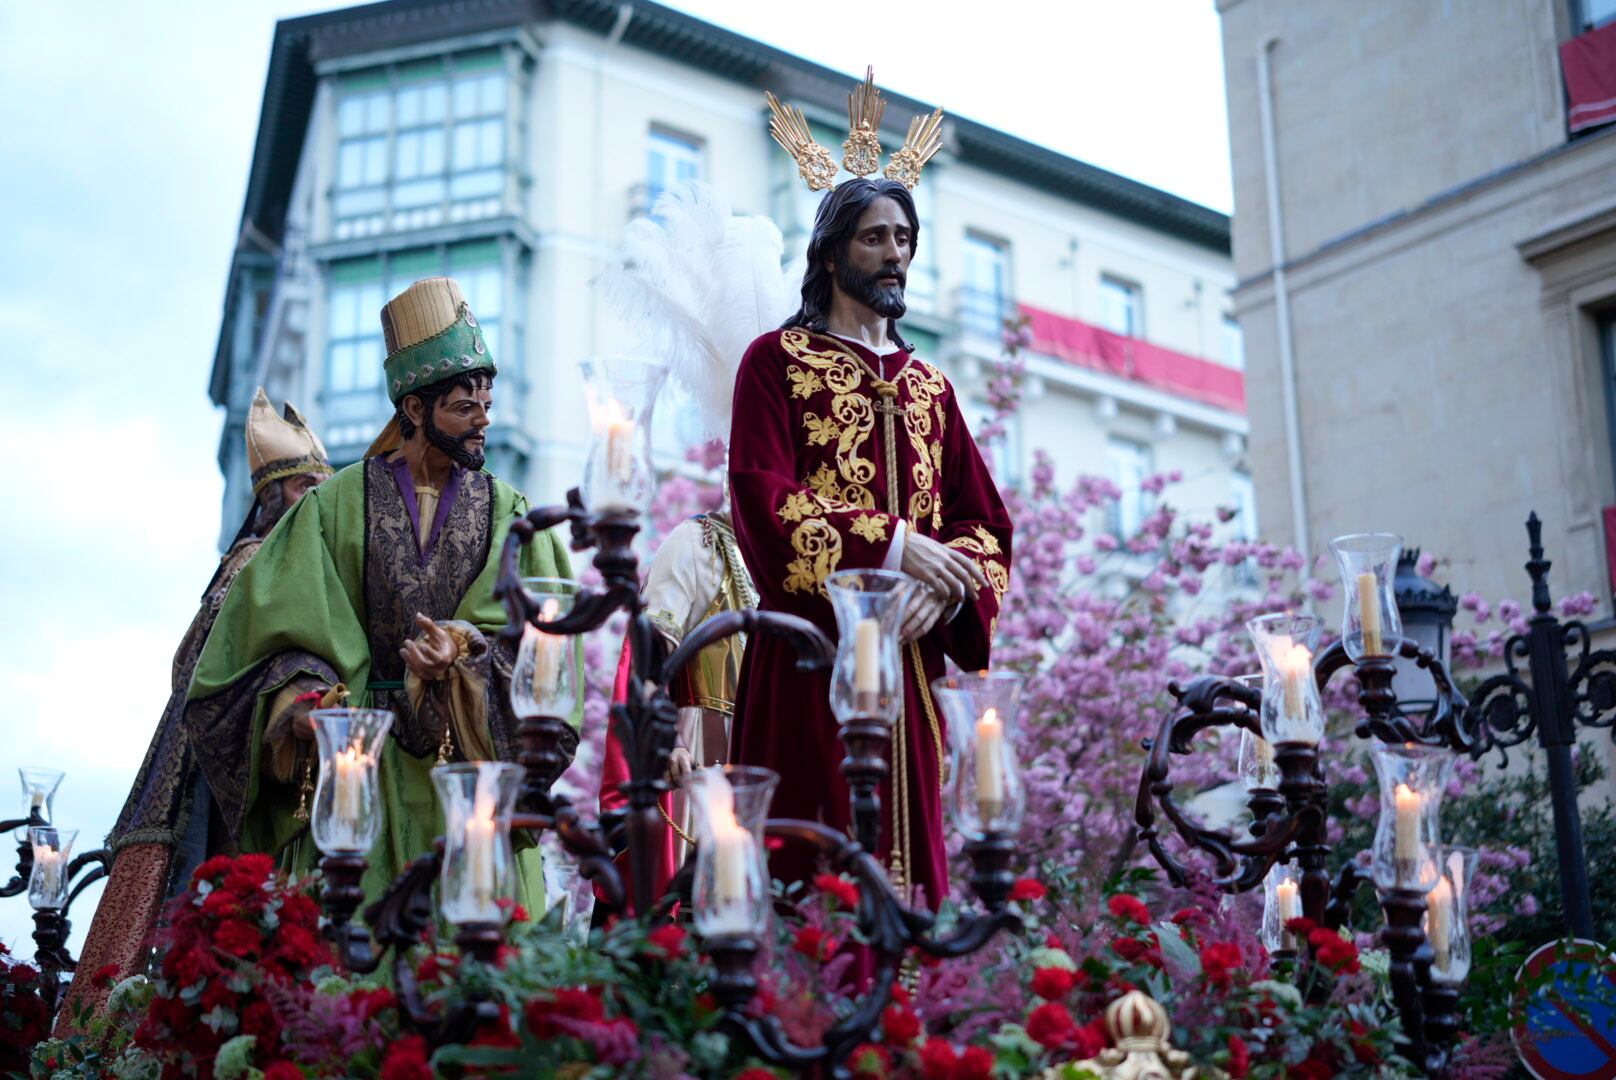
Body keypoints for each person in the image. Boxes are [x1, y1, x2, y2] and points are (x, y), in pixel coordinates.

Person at [183, 277, 579, 907]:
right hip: (355, 782)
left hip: (465, 785)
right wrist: (307, 702)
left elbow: (544, 642)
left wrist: (468, 656)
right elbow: (275, 630)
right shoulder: (330, 506)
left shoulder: (511, 512)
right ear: (415, 411)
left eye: (487, 402)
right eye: (463, 405)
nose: (483, 420)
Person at [728, 71, 1013, 909]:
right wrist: (892, 550)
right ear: (830, 252)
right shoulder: (774, 364)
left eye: (905, 238)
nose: (895, 253)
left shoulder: (931, 388)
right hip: (808, 660)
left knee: (913, 891)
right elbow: (762, 496)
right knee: (810, 881)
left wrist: (948, 598)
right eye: (875, 236)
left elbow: (986, 525)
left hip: (912, 675)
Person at [66, 391, 332, 1018]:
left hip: (277, 731)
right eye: (300, 487)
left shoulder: (310, 562)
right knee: (194, 874)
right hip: (216, 738)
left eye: (319, 486)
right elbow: (204, 659)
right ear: (272, 498)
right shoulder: (251, 562)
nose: (313, 499)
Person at [598, 509, 757, 906]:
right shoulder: (696, 542)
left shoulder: (787, 565)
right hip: (699, 754)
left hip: (760, 760)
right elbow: (647, 657)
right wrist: (663, 739)